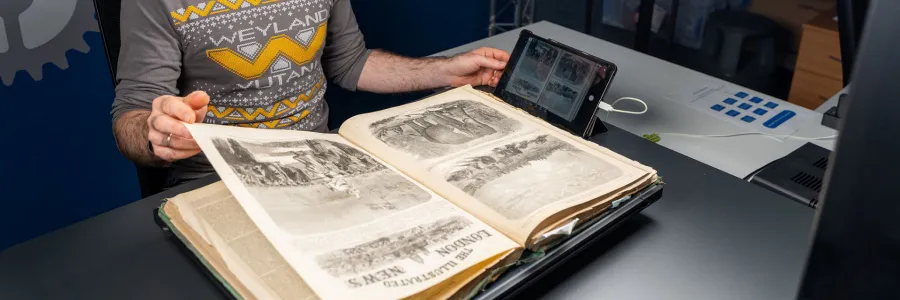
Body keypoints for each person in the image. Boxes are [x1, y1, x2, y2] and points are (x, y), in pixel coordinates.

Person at [111, 0, 510, 188]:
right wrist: (156, 132)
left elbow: (350, 62)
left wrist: (447, 71)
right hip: (218, 180)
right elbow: (131, 115)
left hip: (323, 165)